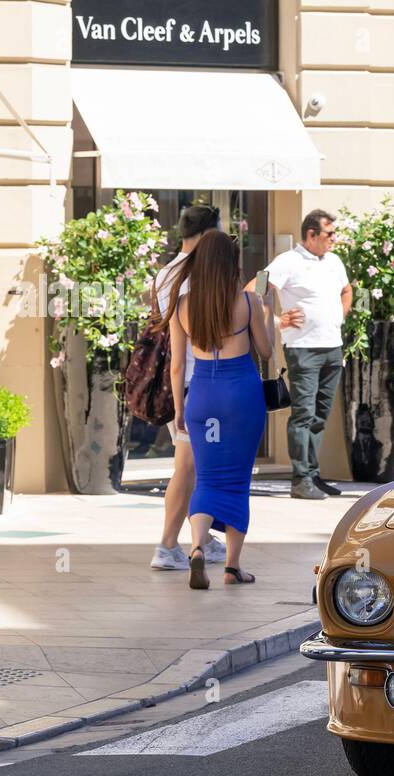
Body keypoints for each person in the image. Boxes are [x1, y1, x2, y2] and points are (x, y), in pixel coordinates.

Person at [168, 230, 272, 590]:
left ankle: (197, 548)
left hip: (202, 396)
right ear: (231, 262)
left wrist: (180, 408)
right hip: (241, 396)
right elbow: (267, 350)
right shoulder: (247, 302)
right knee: (237, 480)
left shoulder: (182, 305)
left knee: (207, 479)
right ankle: (232, 566)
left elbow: (177, 366)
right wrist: (267, 309)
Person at [249, 210, 352, 501]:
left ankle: (313, 474)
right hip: (302, 348)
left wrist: (337, 318)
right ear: (310, 235)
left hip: (332, 347)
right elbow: (255, 289)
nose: (334, 239)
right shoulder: (287, 261)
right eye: (329, 234)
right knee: (303, 414)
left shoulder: (333, 261)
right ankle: (301, 478)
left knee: (320, 415)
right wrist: (278, 321)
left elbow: (347, 291)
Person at [149, 205, 227, 571]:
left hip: (179, 382)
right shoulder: (199, 276)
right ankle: (166, 545)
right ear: (207, 234)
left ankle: (204, 538)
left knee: (197, 466)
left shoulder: (165, 273)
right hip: (199, 383)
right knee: (187, 467)